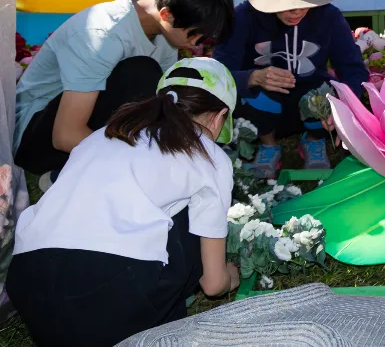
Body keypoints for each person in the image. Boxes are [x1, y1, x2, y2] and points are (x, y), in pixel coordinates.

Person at [8, 59, 240, 347]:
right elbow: (213, 284)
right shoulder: (208, 154)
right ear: (219, 117)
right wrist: (231, 274)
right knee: (192, 220)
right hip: (108, 293)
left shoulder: (104, 134)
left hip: (29, 285)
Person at [14, 0, 235, 181]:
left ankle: (77, 173)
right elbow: (65, 135)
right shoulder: (102, 35)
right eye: (194, 35)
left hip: (80, 134)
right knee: (141, 72)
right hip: (37, 141)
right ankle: (66, 172)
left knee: (163, 97)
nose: (194, 43)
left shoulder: (166, 36)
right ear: (166, 14)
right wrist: (138, 166)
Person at [213, 0, 367, 178]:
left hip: (308, 101)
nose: (296, 11)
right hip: (260, 106)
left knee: (323, 95)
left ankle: (314, 140)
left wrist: (345, 106)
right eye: (287, 3)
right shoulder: (244, 17)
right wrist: (253, 78)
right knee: (258, 94)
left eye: (305, 2)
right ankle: (269, 144)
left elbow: (354, 69)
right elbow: (219, 71)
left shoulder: (329, 17)